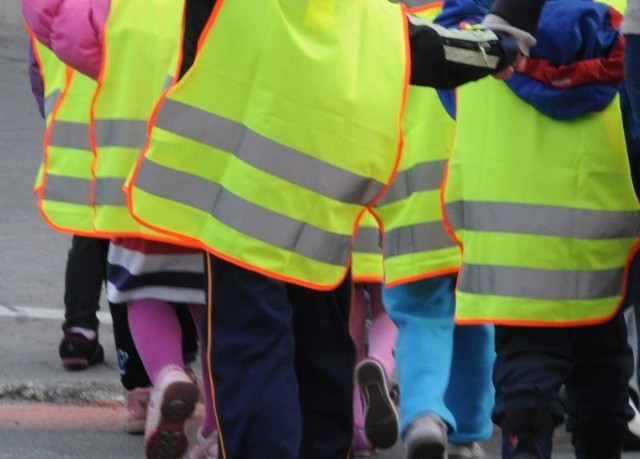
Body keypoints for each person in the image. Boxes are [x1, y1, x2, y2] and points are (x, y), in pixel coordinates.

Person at [120, 1, 545, 458]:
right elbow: (421, 48)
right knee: (322, 361)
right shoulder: (364, 14)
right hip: (319, 223)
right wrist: (497, 45)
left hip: (243, 218)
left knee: (254, 362)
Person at [442, 0, 638, 457]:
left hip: (509, 241)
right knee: (603, 363)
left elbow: (450, 94)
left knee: (525, 368)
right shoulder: (615, 15)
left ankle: (525, 445)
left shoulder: (467, 23)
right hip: (600, 230)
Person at [23, 3, 218, 457]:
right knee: (211, 308)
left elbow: (59, 38)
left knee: (138, 292)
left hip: (134, 183)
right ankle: (214, 428)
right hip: (206, 178)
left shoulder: (104, 8)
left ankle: (164, 376)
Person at [350, 211, 399, 457]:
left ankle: (358, 427)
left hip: (348, 225)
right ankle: (378, 363)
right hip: (387, 224)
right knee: (390, 312)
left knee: (351, 305)